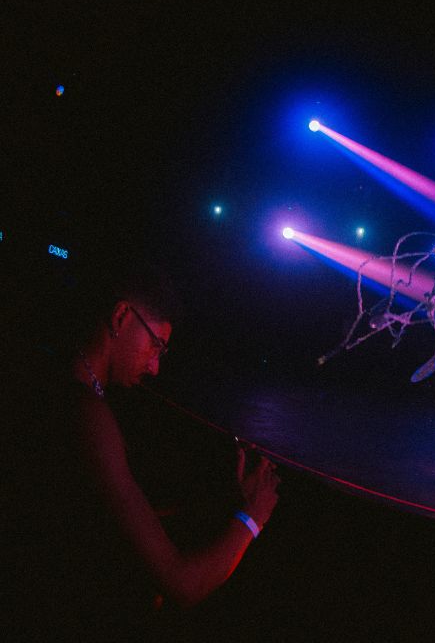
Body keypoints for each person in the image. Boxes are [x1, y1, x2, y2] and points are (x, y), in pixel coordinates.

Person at [6, 255, 280, 634]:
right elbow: (182, 585)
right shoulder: (86, 414)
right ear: (121, 317)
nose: (154, 367)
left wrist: (222, 503)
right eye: (155, 345)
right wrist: (253, 517)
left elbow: (100, 518)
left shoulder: (51, 382)